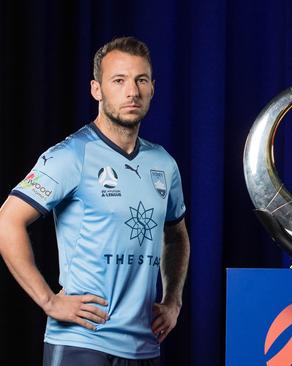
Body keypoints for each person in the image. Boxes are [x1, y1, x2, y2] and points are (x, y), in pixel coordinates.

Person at [0, 37, 190, 365]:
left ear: (152, 88)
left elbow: (176, 235)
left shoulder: (163, 164)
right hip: (81, 343)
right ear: (96, 89)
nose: (132, 91)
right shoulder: (71, 155)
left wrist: (173, 300)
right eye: (119, 81)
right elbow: (7, 220)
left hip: (145, 346)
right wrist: (49, 301)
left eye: (140, 80)